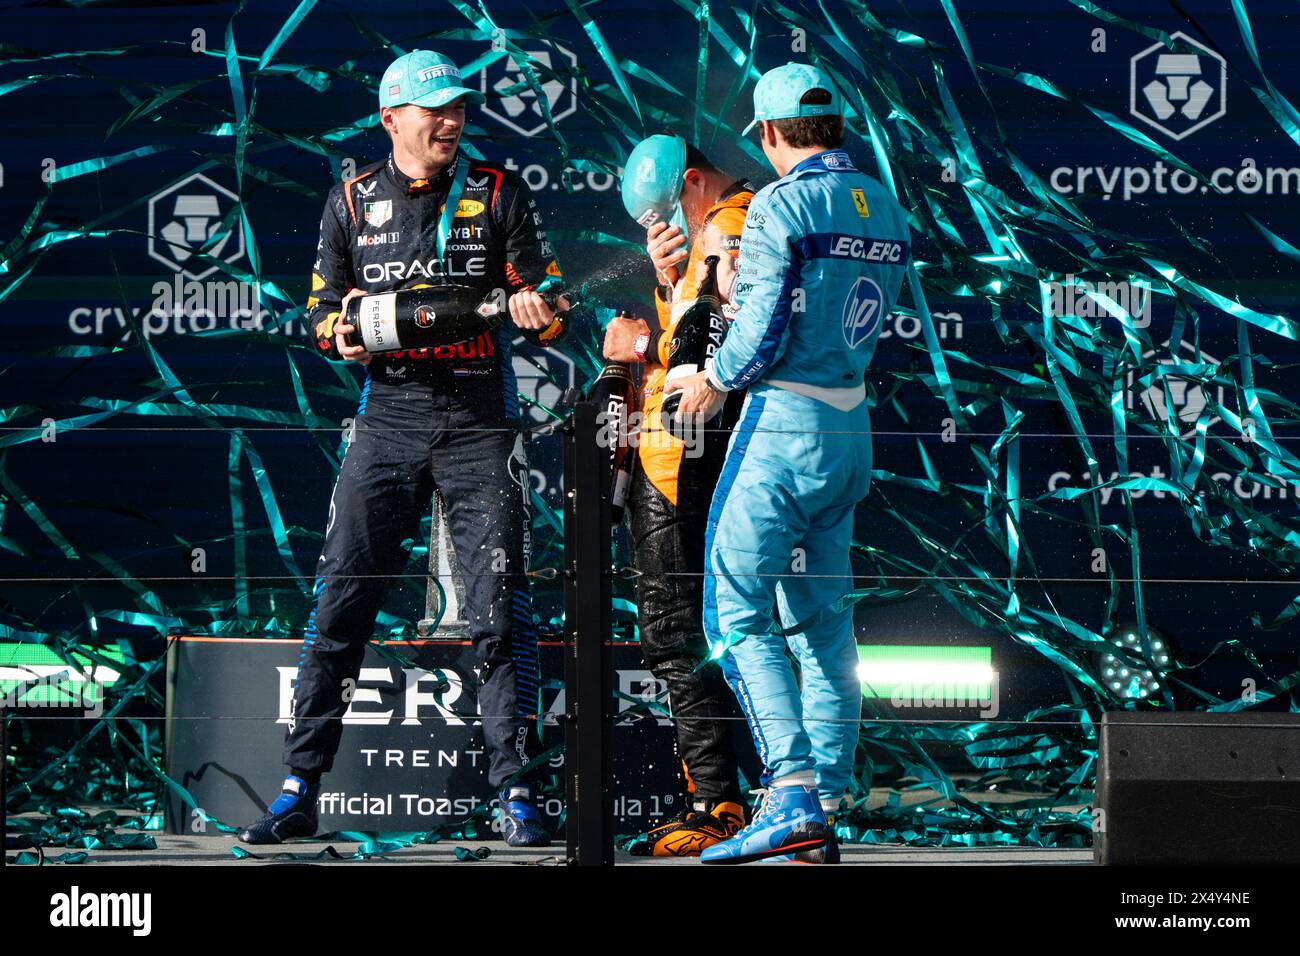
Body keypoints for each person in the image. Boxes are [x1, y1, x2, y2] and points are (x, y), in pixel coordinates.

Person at [238, 50, 571, 848]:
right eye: (434, 111)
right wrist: (342, 332)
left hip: (479, 418)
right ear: (392, 119)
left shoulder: (497, 191)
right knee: (341, 600)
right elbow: (319, 315)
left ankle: (514, 790)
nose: (450, 122)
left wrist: (539, 312)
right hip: (386, 416)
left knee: (496, 610)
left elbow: (553, 301)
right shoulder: (350, 200)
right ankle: (298, 786)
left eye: (457, 109)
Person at [667, 62, 912, 864]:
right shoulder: (885, 203)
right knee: (822, 625)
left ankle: (794, 793)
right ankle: (831, 796)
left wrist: (713, 377)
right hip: (851, 426)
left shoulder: (781, 201)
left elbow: (769, 323)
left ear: (769, 134)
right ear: (833, 126)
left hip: (782, 426)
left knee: (732, 616)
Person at [603, 134, 759, 856]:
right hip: (712, 454)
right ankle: (753, 792)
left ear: (693, 182)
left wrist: (640, 347)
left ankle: (717, 799)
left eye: (670, 214)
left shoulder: (728, 227)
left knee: (675, 632)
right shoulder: (735, 223)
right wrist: (670, 287)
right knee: (728, 626)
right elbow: (702, 330)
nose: (667, 232)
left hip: (682, 460)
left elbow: (698, 360)